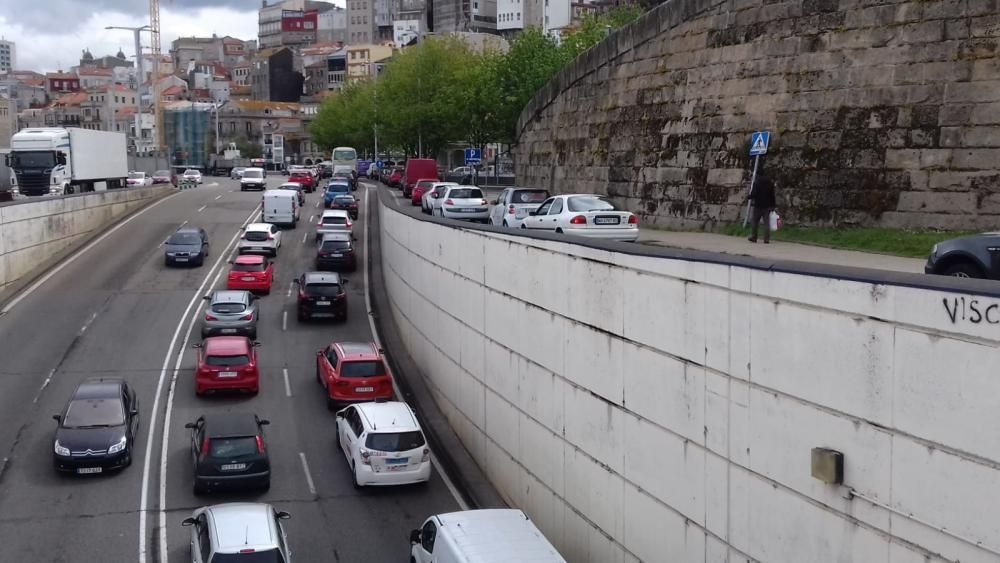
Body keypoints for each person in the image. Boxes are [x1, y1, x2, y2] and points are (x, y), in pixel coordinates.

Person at [747, 172, 776, 243]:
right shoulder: (770, 183)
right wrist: (773, 205)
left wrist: (748, 197)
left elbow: (754, 194)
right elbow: (772, 196)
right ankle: (766, 239)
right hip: (767, 206)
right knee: (766, 223)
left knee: (755, 222)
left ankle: (754, 237)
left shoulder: (757, 183)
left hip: (758, 205)